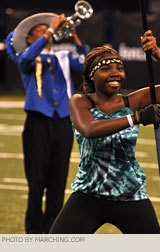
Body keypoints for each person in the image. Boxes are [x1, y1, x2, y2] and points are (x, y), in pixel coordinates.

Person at [49, 29, 160, 234]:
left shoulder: (134, 100)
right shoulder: (80, 102)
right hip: (89, 194)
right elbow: (90, 129)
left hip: (130, 195)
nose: (115, 73)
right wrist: (136, 118)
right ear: (92, 74)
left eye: (119, 68)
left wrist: (156, 54)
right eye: (106, 69)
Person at [5, 13, 89, 233]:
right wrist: (50, 30)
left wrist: (77, 40)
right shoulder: (27, 57)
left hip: (63, 122)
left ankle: (53, 230)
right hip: (38, 122)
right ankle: (33, 230)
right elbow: (20, 54)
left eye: (48, 30)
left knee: (58, 181)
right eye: (40, 32)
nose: (48, 32)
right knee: (36, 181)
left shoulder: (63, 57)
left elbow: (87, 68)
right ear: (30, 39)